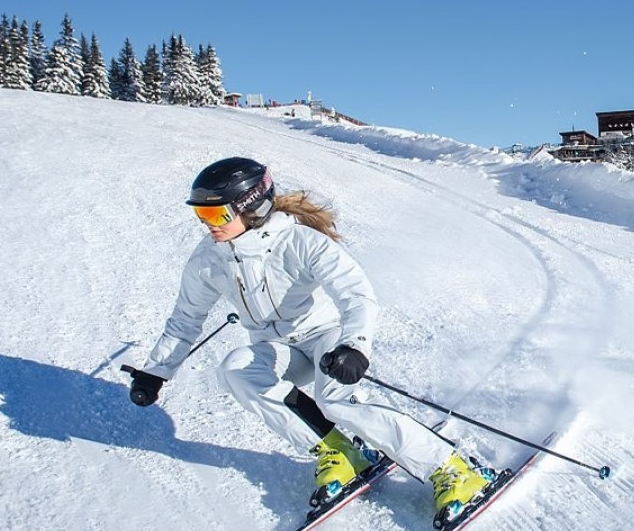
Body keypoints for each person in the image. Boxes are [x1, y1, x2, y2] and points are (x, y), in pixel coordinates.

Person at [123, 156, 493, 519]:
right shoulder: (209, 258)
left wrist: (355, 346)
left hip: (326, 337)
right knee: (236, 370)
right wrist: (157, 371)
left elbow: (356, 293)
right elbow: (186, 318)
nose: (208, 226)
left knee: (335, 400)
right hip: (280, 349)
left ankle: (454, 468)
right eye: (201, 216)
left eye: (216, 214)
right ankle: (338, 450)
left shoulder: (299, 242)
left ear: (251, 207)